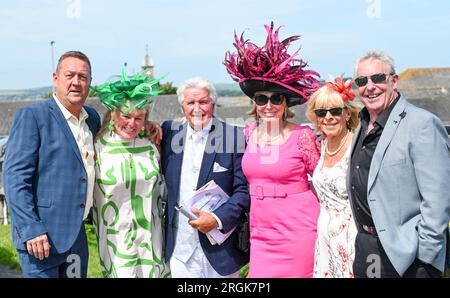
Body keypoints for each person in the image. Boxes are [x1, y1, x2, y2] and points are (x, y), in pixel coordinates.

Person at [224, 22, 321, 277]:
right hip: (261, 232)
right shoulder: (247, 134)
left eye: (276, 98)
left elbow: (324, 180)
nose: (269, 105)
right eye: (261, 99)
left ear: (286, 103)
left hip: (299, 230)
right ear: (254, 103)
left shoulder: (303, 137)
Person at [348, 51, 450, 278]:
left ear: (394, 81)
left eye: (378, 78)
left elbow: (438, 200)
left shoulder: (421, 124)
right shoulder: (362, 125)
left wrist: (425, 257)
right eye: (362, 81)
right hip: (366, 248)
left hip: (407, 256)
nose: (370, 87)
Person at [3, 51, 101, 277]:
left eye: (83, 77)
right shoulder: (33, 116)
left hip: (76, 238)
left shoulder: (92, 119)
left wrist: (150, 129)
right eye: (70, 75)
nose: (76, 82)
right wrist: (31, 229)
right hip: (40, 240)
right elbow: (15, 178)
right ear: (56, 78)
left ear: (90, 83)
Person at [161, 77, 250, 278]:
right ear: (182, 106)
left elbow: (244, 190)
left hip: (221, 250)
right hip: (180, 251)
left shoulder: (234, 137)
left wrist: (217, 219)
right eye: (190, 103)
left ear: (213, 103)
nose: (197, 108)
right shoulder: (168, 133)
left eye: (203, 102)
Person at [92, 64, 170, 278]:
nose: (131, 123)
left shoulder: (152, 144)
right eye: (126, 116)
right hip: (115, 240)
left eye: (138, 118)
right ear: (114, 113)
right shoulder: (97, 147)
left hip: (151, 239)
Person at [305, 77, 360, 277]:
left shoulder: (358, 147)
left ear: (346, 113)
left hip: (353, 239)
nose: (328, 117)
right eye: (321, 112)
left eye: (335, 111)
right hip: (325, 240)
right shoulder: (321, 145)